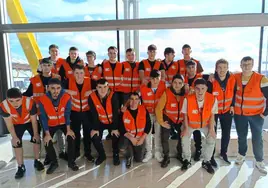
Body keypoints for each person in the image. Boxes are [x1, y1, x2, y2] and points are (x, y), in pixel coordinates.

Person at [23, 58, 66, 165]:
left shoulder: (58, 78)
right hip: (42, 112)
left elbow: (63, 93)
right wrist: (16, 97)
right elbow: (28, 93)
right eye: (44, 65)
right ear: (41, 67)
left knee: (60, 133)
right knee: (46, 133)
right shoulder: (34, 80)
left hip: (57, 111)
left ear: (52, 66)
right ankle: (49, 156)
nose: (46, 67)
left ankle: (62, 152)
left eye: (48, 65)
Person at [234, 56, 268, 175]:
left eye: (249, 64)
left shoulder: (261, 79)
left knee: (257, 138)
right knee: (241, 137)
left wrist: (265, 113)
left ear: (252, 65)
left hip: (256, 115)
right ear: (240, 65)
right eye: (244, 64)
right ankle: (241, 155)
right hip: (240, 115)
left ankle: (259, 161)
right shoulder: (236, 77)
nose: (246, 66)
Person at [0, 88, 44, 179]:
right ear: (7, 99)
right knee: (16, 143)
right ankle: (20, 166)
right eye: (11, 101)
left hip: (30, 122)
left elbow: (34, 121)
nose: (15, 103)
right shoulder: (3, 106)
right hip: (16, 124)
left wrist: (35, 134)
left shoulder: (30, 102)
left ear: (22, 97)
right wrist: (14, 137)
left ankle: (37, 160)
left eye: (17, 100)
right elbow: (9, 124)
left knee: (36, 139)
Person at [39, 78, 79, 174]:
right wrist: (47, 134)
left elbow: (67, 113)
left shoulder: (66, 97)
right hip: (51, 124)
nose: (55, 91)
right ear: (48, 88)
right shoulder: (42, 100)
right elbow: (43, 118)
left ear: (61, 88)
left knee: (71, 137)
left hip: (64, 123)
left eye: (58, 88)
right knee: (46, 140)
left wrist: (68, 130)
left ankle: (71, 162)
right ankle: (54, 163)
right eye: (53, 88)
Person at [181, 78, 217, 174]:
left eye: (202, 88)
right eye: (197, 88)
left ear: (206, 88)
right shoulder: (187, 99)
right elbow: (184, 114)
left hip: (205, 124)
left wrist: (212, 129)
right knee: (184, 138)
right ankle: (187, 160)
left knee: (212, 138)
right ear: (193, 89)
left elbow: (212, 114)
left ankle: (206, 161)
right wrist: (185, 128)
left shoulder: (212, 99)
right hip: (191, 124)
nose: (200, 91)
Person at [64, 64, 94, 162]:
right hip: (74, 112)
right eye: (76, 73)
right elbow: (57, 89)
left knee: (87, 133)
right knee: (76, 133)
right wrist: (68, 91)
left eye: (81, 73)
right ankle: (76, 153)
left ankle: (88, 153)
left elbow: (102, 88)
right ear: (73, 73)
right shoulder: (68, 81)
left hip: (87, 112)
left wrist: (92, 91)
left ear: (84, 73)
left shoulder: (90, 81)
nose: (79, 75)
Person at [209, 59, 236, 167]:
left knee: (226, 133)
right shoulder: (211, 80)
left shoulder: (232, 78)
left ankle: (223, 153)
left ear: (227, 68)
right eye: (219, 67)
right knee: (212, 133)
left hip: (227, 111)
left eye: (224, 67)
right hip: (214, 112)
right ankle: (210, 156)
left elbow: (234, 93)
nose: (222, 70)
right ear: (216, 69)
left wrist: (232, 105)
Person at [88, 78, 121, 166]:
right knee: (94, 136)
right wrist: (95, 128)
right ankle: (102, 155)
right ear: (96, 88)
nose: (103, 90)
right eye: (100, 87)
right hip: (100, 122)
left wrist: (114, 128)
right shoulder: (92, 97)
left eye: (105, 87)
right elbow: (94, 114)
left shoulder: (113, 95)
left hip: (112, 122)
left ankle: (116, 154)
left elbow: (115, 114)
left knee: (115, 134)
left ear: (108, 87)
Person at [156, 74, 185, 168]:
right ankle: (166, 156)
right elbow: (158, 109)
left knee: (183, 136)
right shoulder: (167, 93)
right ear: (172, 83)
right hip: (168, 117)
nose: (177, 85)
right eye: (175, 83)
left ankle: (180, 154)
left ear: (183, 84)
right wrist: (161, 122)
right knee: (164, 136)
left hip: (181, 119)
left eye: (180, 83)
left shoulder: (187, 94)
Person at [119, 92, 151, 168]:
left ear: (139, 100)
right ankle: (129, 156)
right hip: (128, 136)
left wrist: (142, 138)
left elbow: (148, 125)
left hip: (140, 138)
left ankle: (134, 150)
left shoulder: (143, 109)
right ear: (128, 100)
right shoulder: (123, 112)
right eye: (132, 99)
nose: (134, 101)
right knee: (121, 147)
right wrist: (132, 139)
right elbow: (121, 128)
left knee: (139, 159)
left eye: (136, 99)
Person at [140, 70, 166, 162]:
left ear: (160, 78)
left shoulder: (164, 86)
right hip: (148, 114)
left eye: (157, 78)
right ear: (150, 79)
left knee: (158, 133)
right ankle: (149, 152)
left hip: (159, 114)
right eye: (153, 78)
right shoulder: (143, 88)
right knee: (148, 133)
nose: (155, 81)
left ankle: (158, 152)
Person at [102, 46, 123, 140]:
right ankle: (110, 132)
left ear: (117, 53)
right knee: (109, 111)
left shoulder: (121, 65)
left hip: (119, 92)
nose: (112, 55)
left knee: (117, 112)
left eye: (114, 53)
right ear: (108, 54)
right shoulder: (103, 65)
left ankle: (118, 130)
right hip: (108, 92)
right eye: (110, 53)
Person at [162, 47, 180, 140]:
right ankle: (169, 131)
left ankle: (174, 131)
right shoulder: (160, 63)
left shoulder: (176, 65)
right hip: (162, 91)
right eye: (172, 54)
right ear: (166, 55)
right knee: (164, 110)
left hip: (173, 90)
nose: (173, 56)